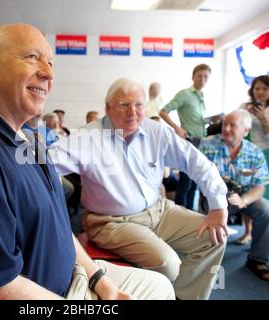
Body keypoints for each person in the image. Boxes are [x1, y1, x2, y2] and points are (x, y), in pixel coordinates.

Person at [0, 24, 174, 300]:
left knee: (161, 286)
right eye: (32, 57)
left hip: (77, 276)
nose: (49, 73)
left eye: (50, 62)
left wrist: (100, 280)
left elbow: (61, 226)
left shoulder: (29, 139)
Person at [50, 77, 228, 300]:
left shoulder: (157, 132)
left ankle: (182, 296)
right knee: (168, 264)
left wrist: (218, 206)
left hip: (160, 211)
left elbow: (197, 162)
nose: (132, 112)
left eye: (139, 105)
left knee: (215, 237)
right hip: (111, 221)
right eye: (124, 104)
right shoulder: (88, 137)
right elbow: (45, 163)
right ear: (107, 108)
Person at [199, 110, 269, 281]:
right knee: (202, 227)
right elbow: (197, 177)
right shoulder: (207, 145)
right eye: (224, 124)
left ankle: (257, 259)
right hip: (213, 198)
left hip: (242, 197)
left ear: (246, 131)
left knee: (268, 210)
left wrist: (244, 200)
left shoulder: (254, 152)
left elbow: (260, 186)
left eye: (232, 125)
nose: (226, 129)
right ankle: (203, 260)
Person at [236, 75, 269, 245]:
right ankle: (247, 232)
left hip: (267, 155)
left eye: (264, 88)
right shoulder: (243, 106)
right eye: (257, 88)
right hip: (247, 156)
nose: (260, 92)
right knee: (246, 193)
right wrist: (244, 115)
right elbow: (236, 128)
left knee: (266, 197)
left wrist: (263, 118)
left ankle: (261, 235)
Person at [160, 64, 211, 210]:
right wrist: (178, 129)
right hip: (188, 142)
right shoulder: (184, 94)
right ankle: (181, 216)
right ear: (193, 77)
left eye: (206, 77)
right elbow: (163, 112)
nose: (202, 79)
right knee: (185, 183)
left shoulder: (201, 96)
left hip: (201, 142)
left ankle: (191, 216)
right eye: (199, 76)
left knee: (195, 182)